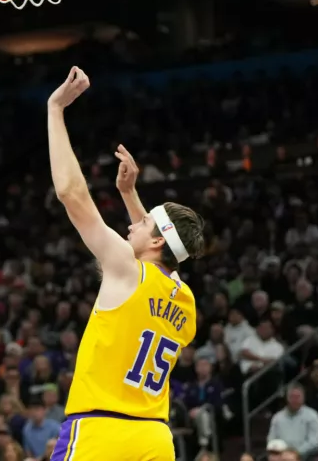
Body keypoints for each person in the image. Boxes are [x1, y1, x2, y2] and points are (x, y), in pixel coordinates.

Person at [45, 69, 206, 461]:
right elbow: (166, 255)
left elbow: (71, 194)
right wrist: (130, 194)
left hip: (101, 433)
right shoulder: (185, 302)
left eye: (145, 220)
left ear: (154, 241)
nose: (134, 221)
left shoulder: (125, 268)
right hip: (154, 440)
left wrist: (54, 110)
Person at [267, 384, 318, 455]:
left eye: (298, 397)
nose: (295, 400)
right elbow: (271, 439)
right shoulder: (277, 417)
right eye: (292, 397)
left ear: (303, 398)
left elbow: (314, 442)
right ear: (287, 398)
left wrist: (295, 453)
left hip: (305, 456)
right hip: (281, 455)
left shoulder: (312, 415)